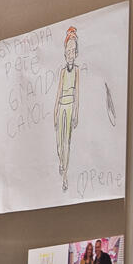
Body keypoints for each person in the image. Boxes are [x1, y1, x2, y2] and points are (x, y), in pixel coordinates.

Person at [55, 27, 81, 190]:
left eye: (73, 51)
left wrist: (76, 113)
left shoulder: (77, 71)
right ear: (64, 54)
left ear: (76, 53)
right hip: (62, 106)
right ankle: (61, 162)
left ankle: (65, 176)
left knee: (67, 143)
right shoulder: (63, 71)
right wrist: (55, 112)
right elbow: (58, 92)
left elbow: (77, 93)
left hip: (70, 106)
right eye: (68, 51)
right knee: (59, 142)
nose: (71, 54)